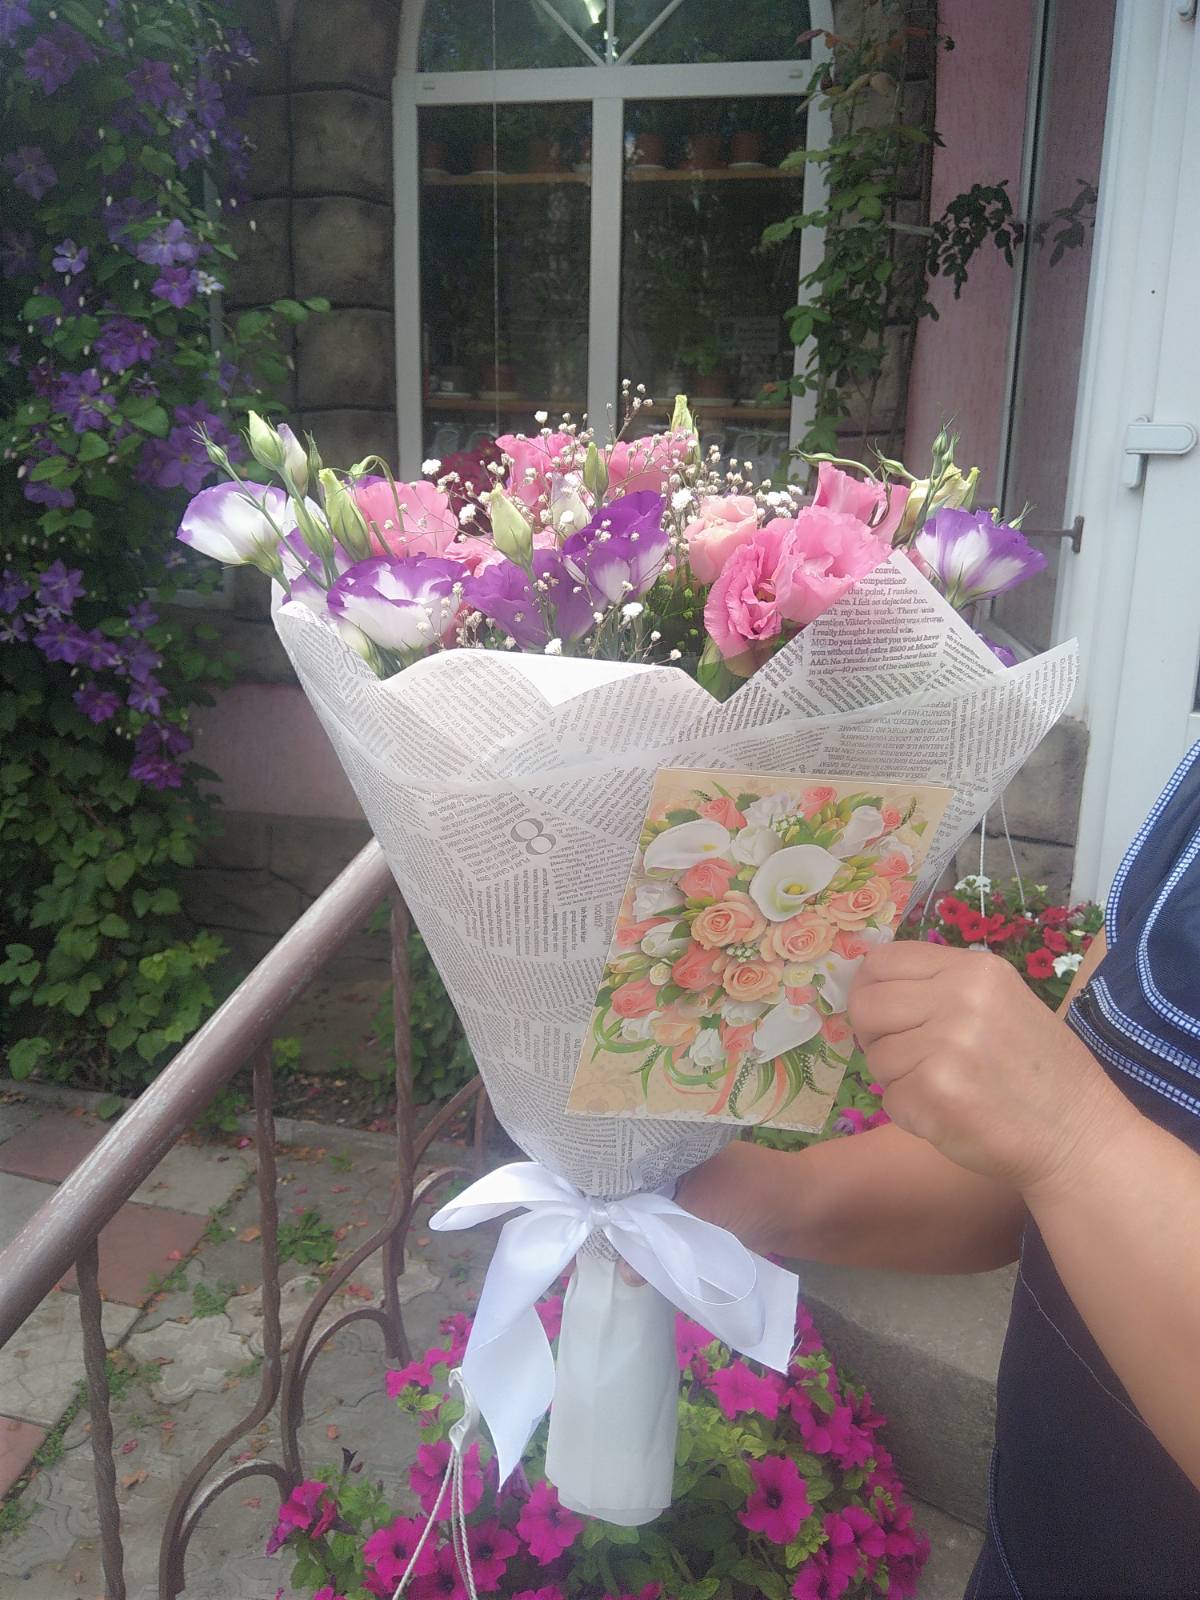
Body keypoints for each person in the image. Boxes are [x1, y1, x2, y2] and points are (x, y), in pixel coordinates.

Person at [675, 744, 1200, 1599]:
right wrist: (783, 1196)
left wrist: (1075, 1136)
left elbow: (1072, 1138)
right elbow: (1027, 1170)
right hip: (1032, 1551)